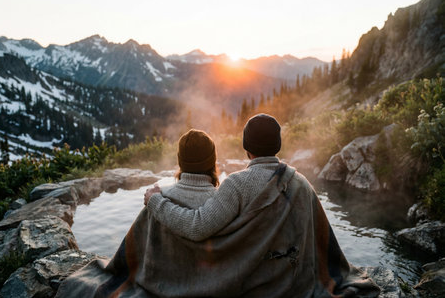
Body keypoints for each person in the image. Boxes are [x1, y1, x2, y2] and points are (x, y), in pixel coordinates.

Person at [144, 113, 381, 297]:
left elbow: (197, 227)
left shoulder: (237, 184)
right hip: (295, 284)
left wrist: (156, 200)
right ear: (277, 145)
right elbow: (322, 238)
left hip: (252, 286)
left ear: (247, 149)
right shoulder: (301, 183)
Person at [55, 129, 223, 297]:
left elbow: (131, 252)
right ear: (212, 161)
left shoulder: (158, 199)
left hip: (161, 285)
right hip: (212, 286)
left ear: (180, 161)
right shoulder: (222, 203)